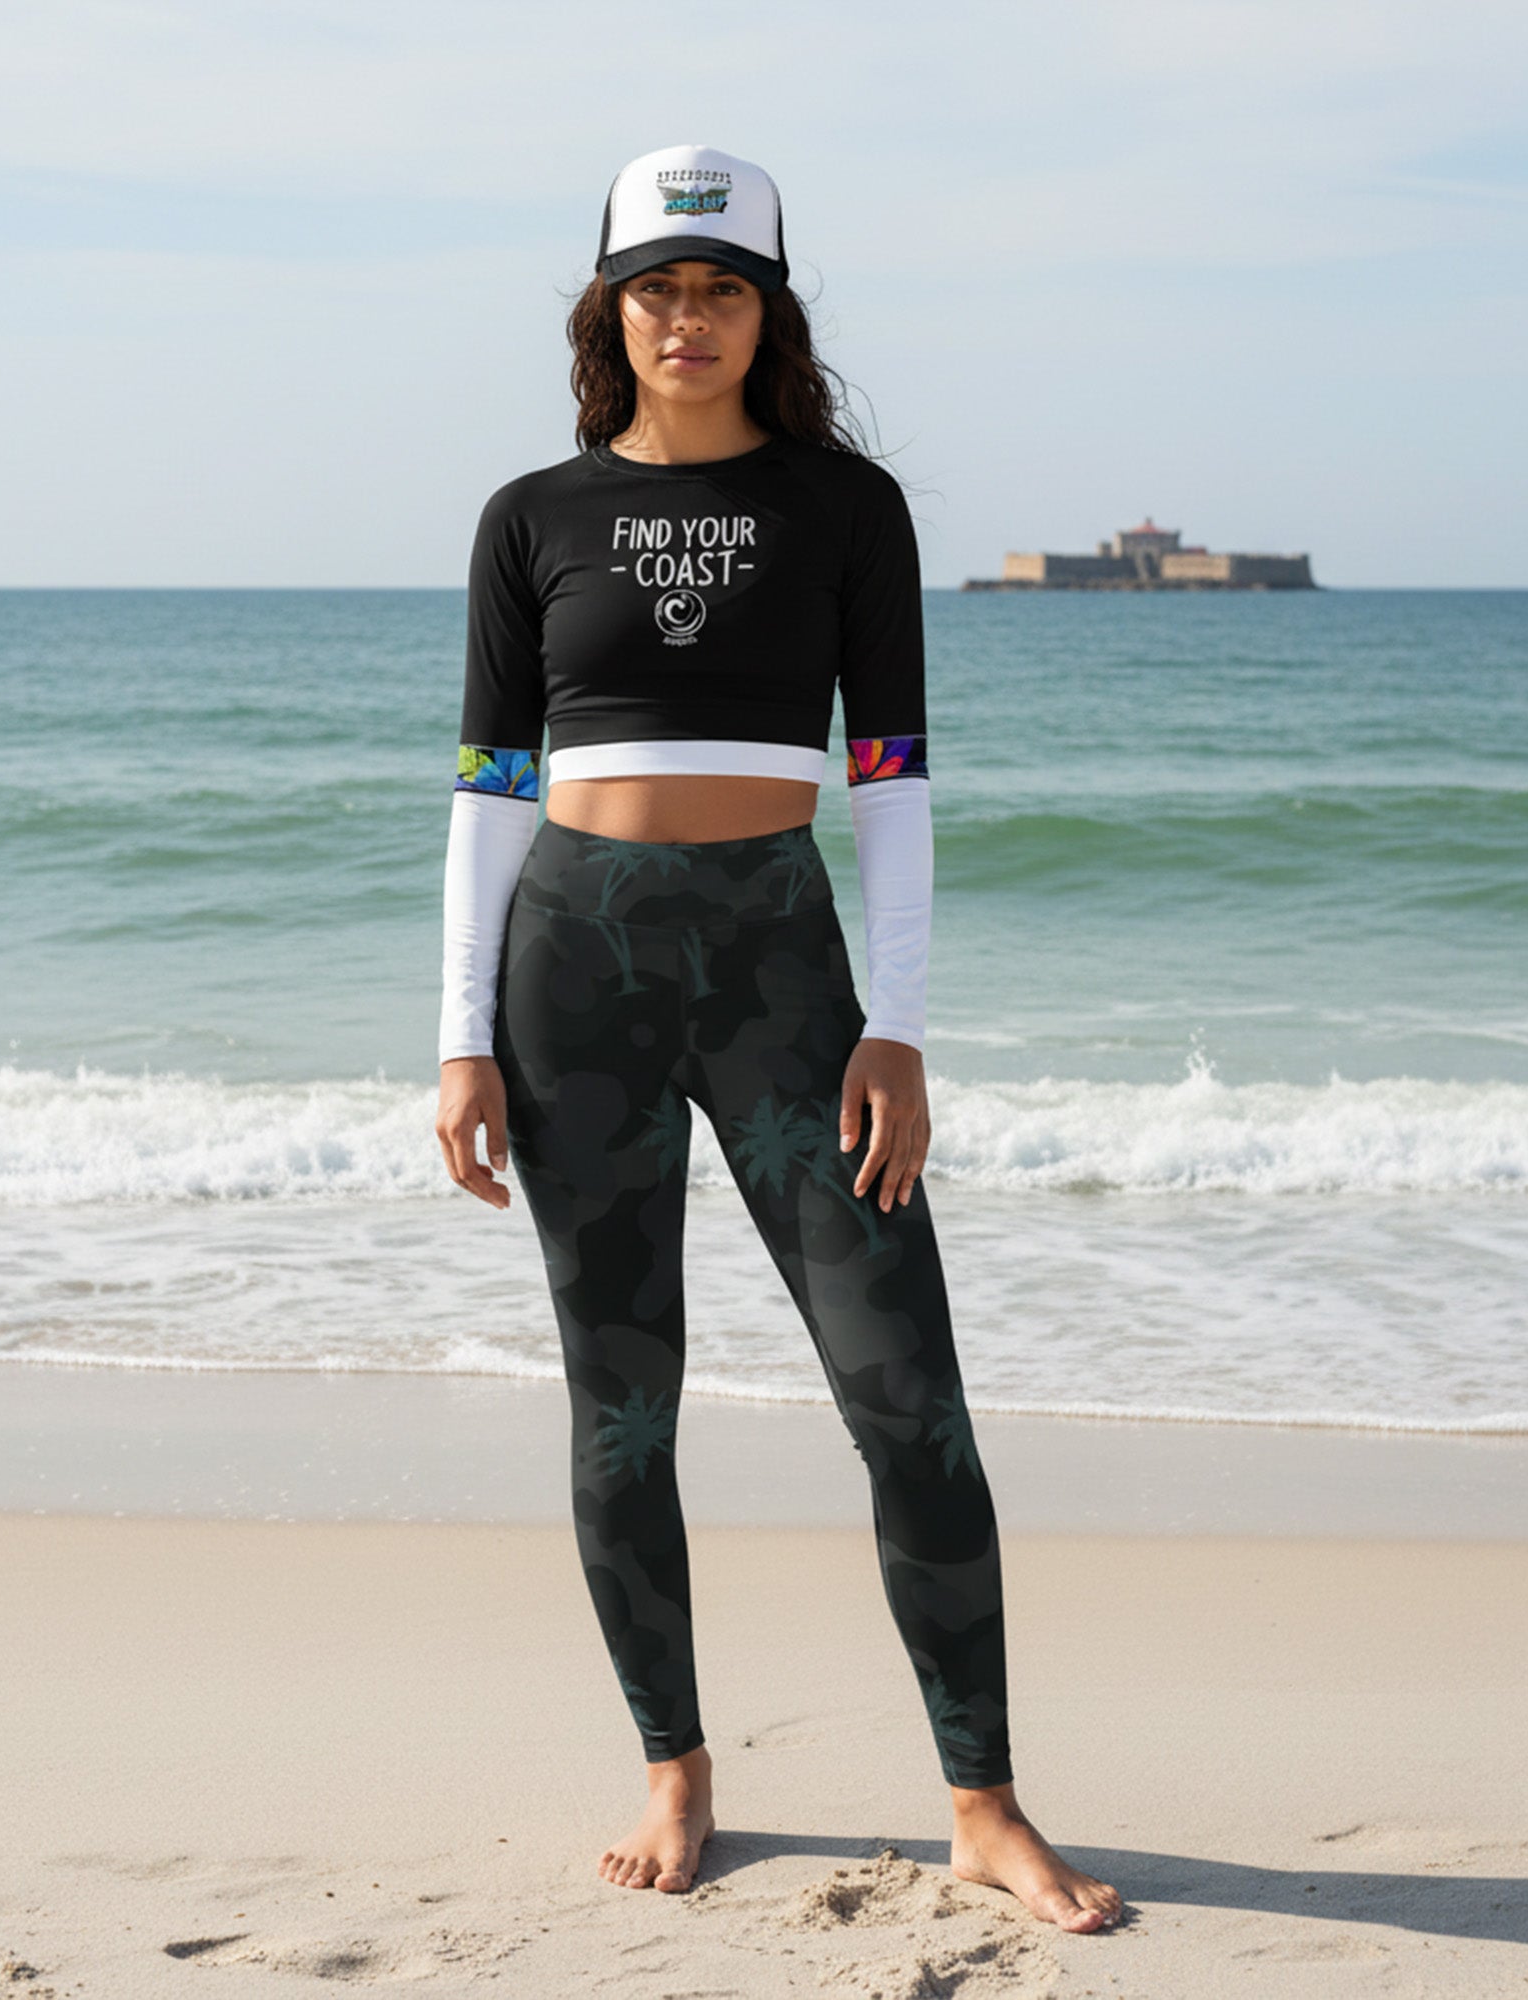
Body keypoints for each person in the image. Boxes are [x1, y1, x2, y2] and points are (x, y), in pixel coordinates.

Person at [433, 143, 1122, 1932]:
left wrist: (899, 1024)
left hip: (779, 972)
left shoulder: (846, 509)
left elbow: (889, 779)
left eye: (721, 288)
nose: (689, 318)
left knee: (909, 1398)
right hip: (571, 969)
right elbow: (489, 787)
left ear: (769, 313)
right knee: (620, 1410)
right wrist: (460, 1036)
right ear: (610, 315)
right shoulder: (529, 517)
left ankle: (983, 1802)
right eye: (656, 289)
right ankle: (675, 1771)